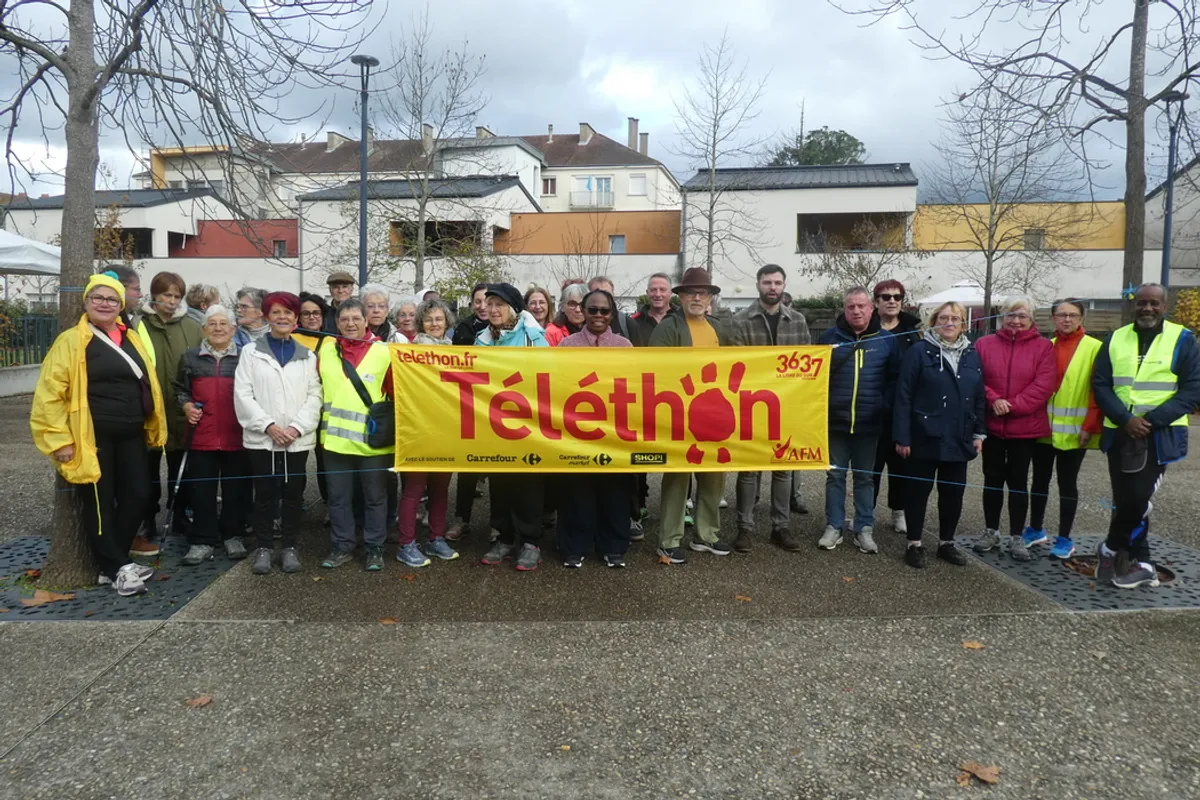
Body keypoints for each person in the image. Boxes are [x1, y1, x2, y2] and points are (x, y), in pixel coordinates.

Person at [31, 272, 166, 596]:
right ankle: (116, 567)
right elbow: (50, 393)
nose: (105, 304)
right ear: (87, 302)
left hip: (132, 431)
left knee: (139, 495)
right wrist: (59, 440)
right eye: (98, 298)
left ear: (120, 304)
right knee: (99, 503)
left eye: (111, 299)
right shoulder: (71, 341)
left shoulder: (131, 336)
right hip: (92, 436)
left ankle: (114, 563)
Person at [1092, 283, 1200, 588]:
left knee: (1138, 498)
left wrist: (1149, 421)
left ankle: (1110, 548)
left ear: (1164, 306)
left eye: (1154, 303)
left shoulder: (1183, 339)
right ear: (1133, 305)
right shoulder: (1115, 338)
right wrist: (1126, 419)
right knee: (1125, 499)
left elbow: (1193, 389)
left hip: (1158, 435)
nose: (1147, 308)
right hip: (1120, 432)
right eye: (1141, 303)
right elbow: (1101, 384)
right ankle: (1142, 562)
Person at [234, 291, 323, 575]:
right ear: (267, 316)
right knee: (264, 493)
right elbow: (243, 393)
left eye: (288, 312)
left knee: (293, 493)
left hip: (296, 440)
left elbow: (315, 395)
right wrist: (268, 426)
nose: (282, 317)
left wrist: (296, 427)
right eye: (276, 312)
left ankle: (289, 546)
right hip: (263, 439)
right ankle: (264, 547)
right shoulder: (251, 352)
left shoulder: (307, 356)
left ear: (296, 318)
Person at [648, 267, 732, 564]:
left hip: (714, 414)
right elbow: (656, 371)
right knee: (677, 479)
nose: (696, 297)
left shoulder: (719, 328)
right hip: (679, 415)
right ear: (681, 297)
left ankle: (706, 535)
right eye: (690, 292)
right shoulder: (668, 328)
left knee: (713, 477)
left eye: (702, 293)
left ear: (710, 298)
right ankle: (668, 541)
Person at [892, 302, 984, 568]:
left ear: (963, 324)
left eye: (955, 318)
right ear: (934, 322)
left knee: (953, 493)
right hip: (923, 436)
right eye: (943, 318)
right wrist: (902, 436)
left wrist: (980, 432)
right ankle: (914, 544)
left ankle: (947, 543)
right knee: (917, 492)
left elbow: (979, 396)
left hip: (959, 437)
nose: (949, 322)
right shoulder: (919, 352)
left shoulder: (971, 354)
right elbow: (903, 395)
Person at [728, 264, 812, 552]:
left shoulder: (798, 321)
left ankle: (781, 527)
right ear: (758, 285)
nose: (772, 287)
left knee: (783, 469)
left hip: (786, 406)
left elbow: (806, 366)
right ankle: (745, 528)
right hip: (751, 406)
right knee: (749, 470)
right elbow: (737, 366)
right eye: (767, 282)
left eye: (777, 282)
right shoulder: (740, 321)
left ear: (784, 285)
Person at [817, 287, 900, 555]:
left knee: (865, 478)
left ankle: (864, 528)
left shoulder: (887, 340)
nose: (856, 311)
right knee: (835, 476)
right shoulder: (829, 338)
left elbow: (894, 379)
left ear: (871, 308)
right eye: (851, 306)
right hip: (836, 422)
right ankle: (834, 525)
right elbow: (816, 377)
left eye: (861, 306)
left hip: (869, 423)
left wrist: (882, 405)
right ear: (844, 309)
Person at [557, 288, 635, 568]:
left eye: (604, 310)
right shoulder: (567, 346)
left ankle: (613, 547)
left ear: (612, 314)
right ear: (583, 311)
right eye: (593, 310)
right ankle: (574, 547)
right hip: (577, 431)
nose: (598, 315)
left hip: (614, 431)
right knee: (577, 491)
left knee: (614, 492)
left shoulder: (625, 347)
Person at [973, 297, 1056, 560]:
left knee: (1019, 481)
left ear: (1031, 319)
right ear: (1002, 317)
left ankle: (1017, 535)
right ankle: (991, 530)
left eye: (1022, 316)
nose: (1016, 321)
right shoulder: (984, 344)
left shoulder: (1044, 347)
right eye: (1011, 315)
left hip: (1025, 427)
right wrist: (994, 400)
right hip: (992, 425)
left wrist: (1012, 405)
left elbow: (1044, 385)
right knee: (992, 479)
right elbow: (975, 378)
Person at [317, 298, 396, 572]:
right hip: (335, 441)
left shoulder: (385, 352)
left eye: (355, 319)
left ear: (366, 320)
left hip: (372, 441)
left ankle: (375, 547)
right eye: (344, 319)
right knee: (338, 499)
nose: (350, 324)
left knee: (375, 498)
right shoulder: (326, 350)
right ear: (337, 323)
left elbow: (397, 393)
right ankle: (342, 546)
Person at [1022, 299, 1104, 559]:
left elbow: (1098, 390)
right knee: (1039, 481)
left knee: (1067, 484)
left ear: (1081, 318)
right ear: (1053, 318)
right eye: (1062, 315)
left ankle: (1065, 538)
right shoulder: (1048, 346)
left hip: (1075, 431)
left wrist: (1090, 425)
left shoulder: (1095, 347)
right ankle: (1035, 529)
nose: (1067, 320)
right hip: (1043, 429)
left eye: (1072, 315)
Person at [477, 283, 549, 571]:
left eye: (499, 305)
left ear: (513, 309)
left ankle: (531, 541)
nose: (493, 310)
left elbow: (547, 376)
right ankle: (504, 537)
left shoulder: (533, 337)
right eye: (489, 304)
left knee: (528, 482)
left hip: (527, 423)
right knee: (500, 482)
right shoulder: (482, 340)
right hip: (494, 422)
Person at [175, 305, 249, 564]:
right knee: (202, 491)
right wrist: (186, 405)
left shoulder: (245, 357)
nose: (218, 328)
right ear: (204, 329)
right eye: (212, 324)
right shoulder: (190, 357)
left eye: (223, 323)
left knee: (235, 490)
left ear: (233, 329)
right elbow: (180, 389)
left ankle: (233, 535)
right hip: (201, 435)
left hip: (236, 435)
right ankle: (202, 539)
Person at [137, 271, 203, 553]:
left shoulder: (192, 327)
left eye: (177, 296)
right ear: (155, 295)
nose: (172, 301)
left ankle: (180, 516)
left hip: (180, 409)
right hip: (148, 409)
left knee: (182, 468)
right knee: (146, 469)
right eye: (167, 295)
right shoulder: (138, 326)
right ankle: (146, 518)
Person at [394, 298, 459, 567]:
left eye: (439, 319)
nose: (434, 324)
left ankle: (436, 537)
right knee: (414, 488)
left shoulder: (455, 351)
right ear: (421, 322)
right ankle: (406, 543)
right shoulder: (409, 352)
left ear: (446, 322)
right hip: (419, 429)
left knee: (441, 488)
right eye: (429, 319)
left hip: (446, 428)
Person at [871, 279, 921, 534]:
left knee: (901, 465)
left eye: (897, 297)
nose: (892, 301)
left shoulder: (913, 332)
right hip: (872, 408)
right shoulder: (867, 328)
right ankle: (865, 512)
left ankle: (898, 511)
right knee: (871, 466)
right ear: (876, 301)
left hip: (903, 409)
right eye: (886, 296)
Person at [447, 283, 492, 539]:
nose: (483, 306)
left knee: (500, 467)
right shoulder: (464, 328)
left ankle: (498, 524)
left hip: (499, 405)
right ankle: (461, 519)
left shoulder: (507, 328)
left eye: (488, 301)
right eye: (478, 301)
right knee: (468, 465)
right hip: (470, 405)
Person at [293, 291, 331, 507]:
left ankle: (329, 503)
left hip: (325, 410)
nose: (312, 317)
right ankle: (294, 503)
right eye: (306, 313)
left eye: (316, 312)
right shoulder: (290, 339)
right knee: (296, 460)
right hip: (296, 410)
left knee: (326, 461)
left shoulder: (332, 341)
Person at [630, 272, 673, 347]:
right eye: (653, 290)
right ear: (647, 293)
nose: (658, 294)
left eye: (662, 290)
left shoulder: (682, 320)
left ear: (670, 293)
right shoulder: (633, 322)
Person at [587, 276, 635, 340]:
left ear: (613, 295)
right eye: (597, 294)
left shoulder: (626, 323)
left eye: (607, 294)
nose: (602, 298)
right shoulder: (582, 322)